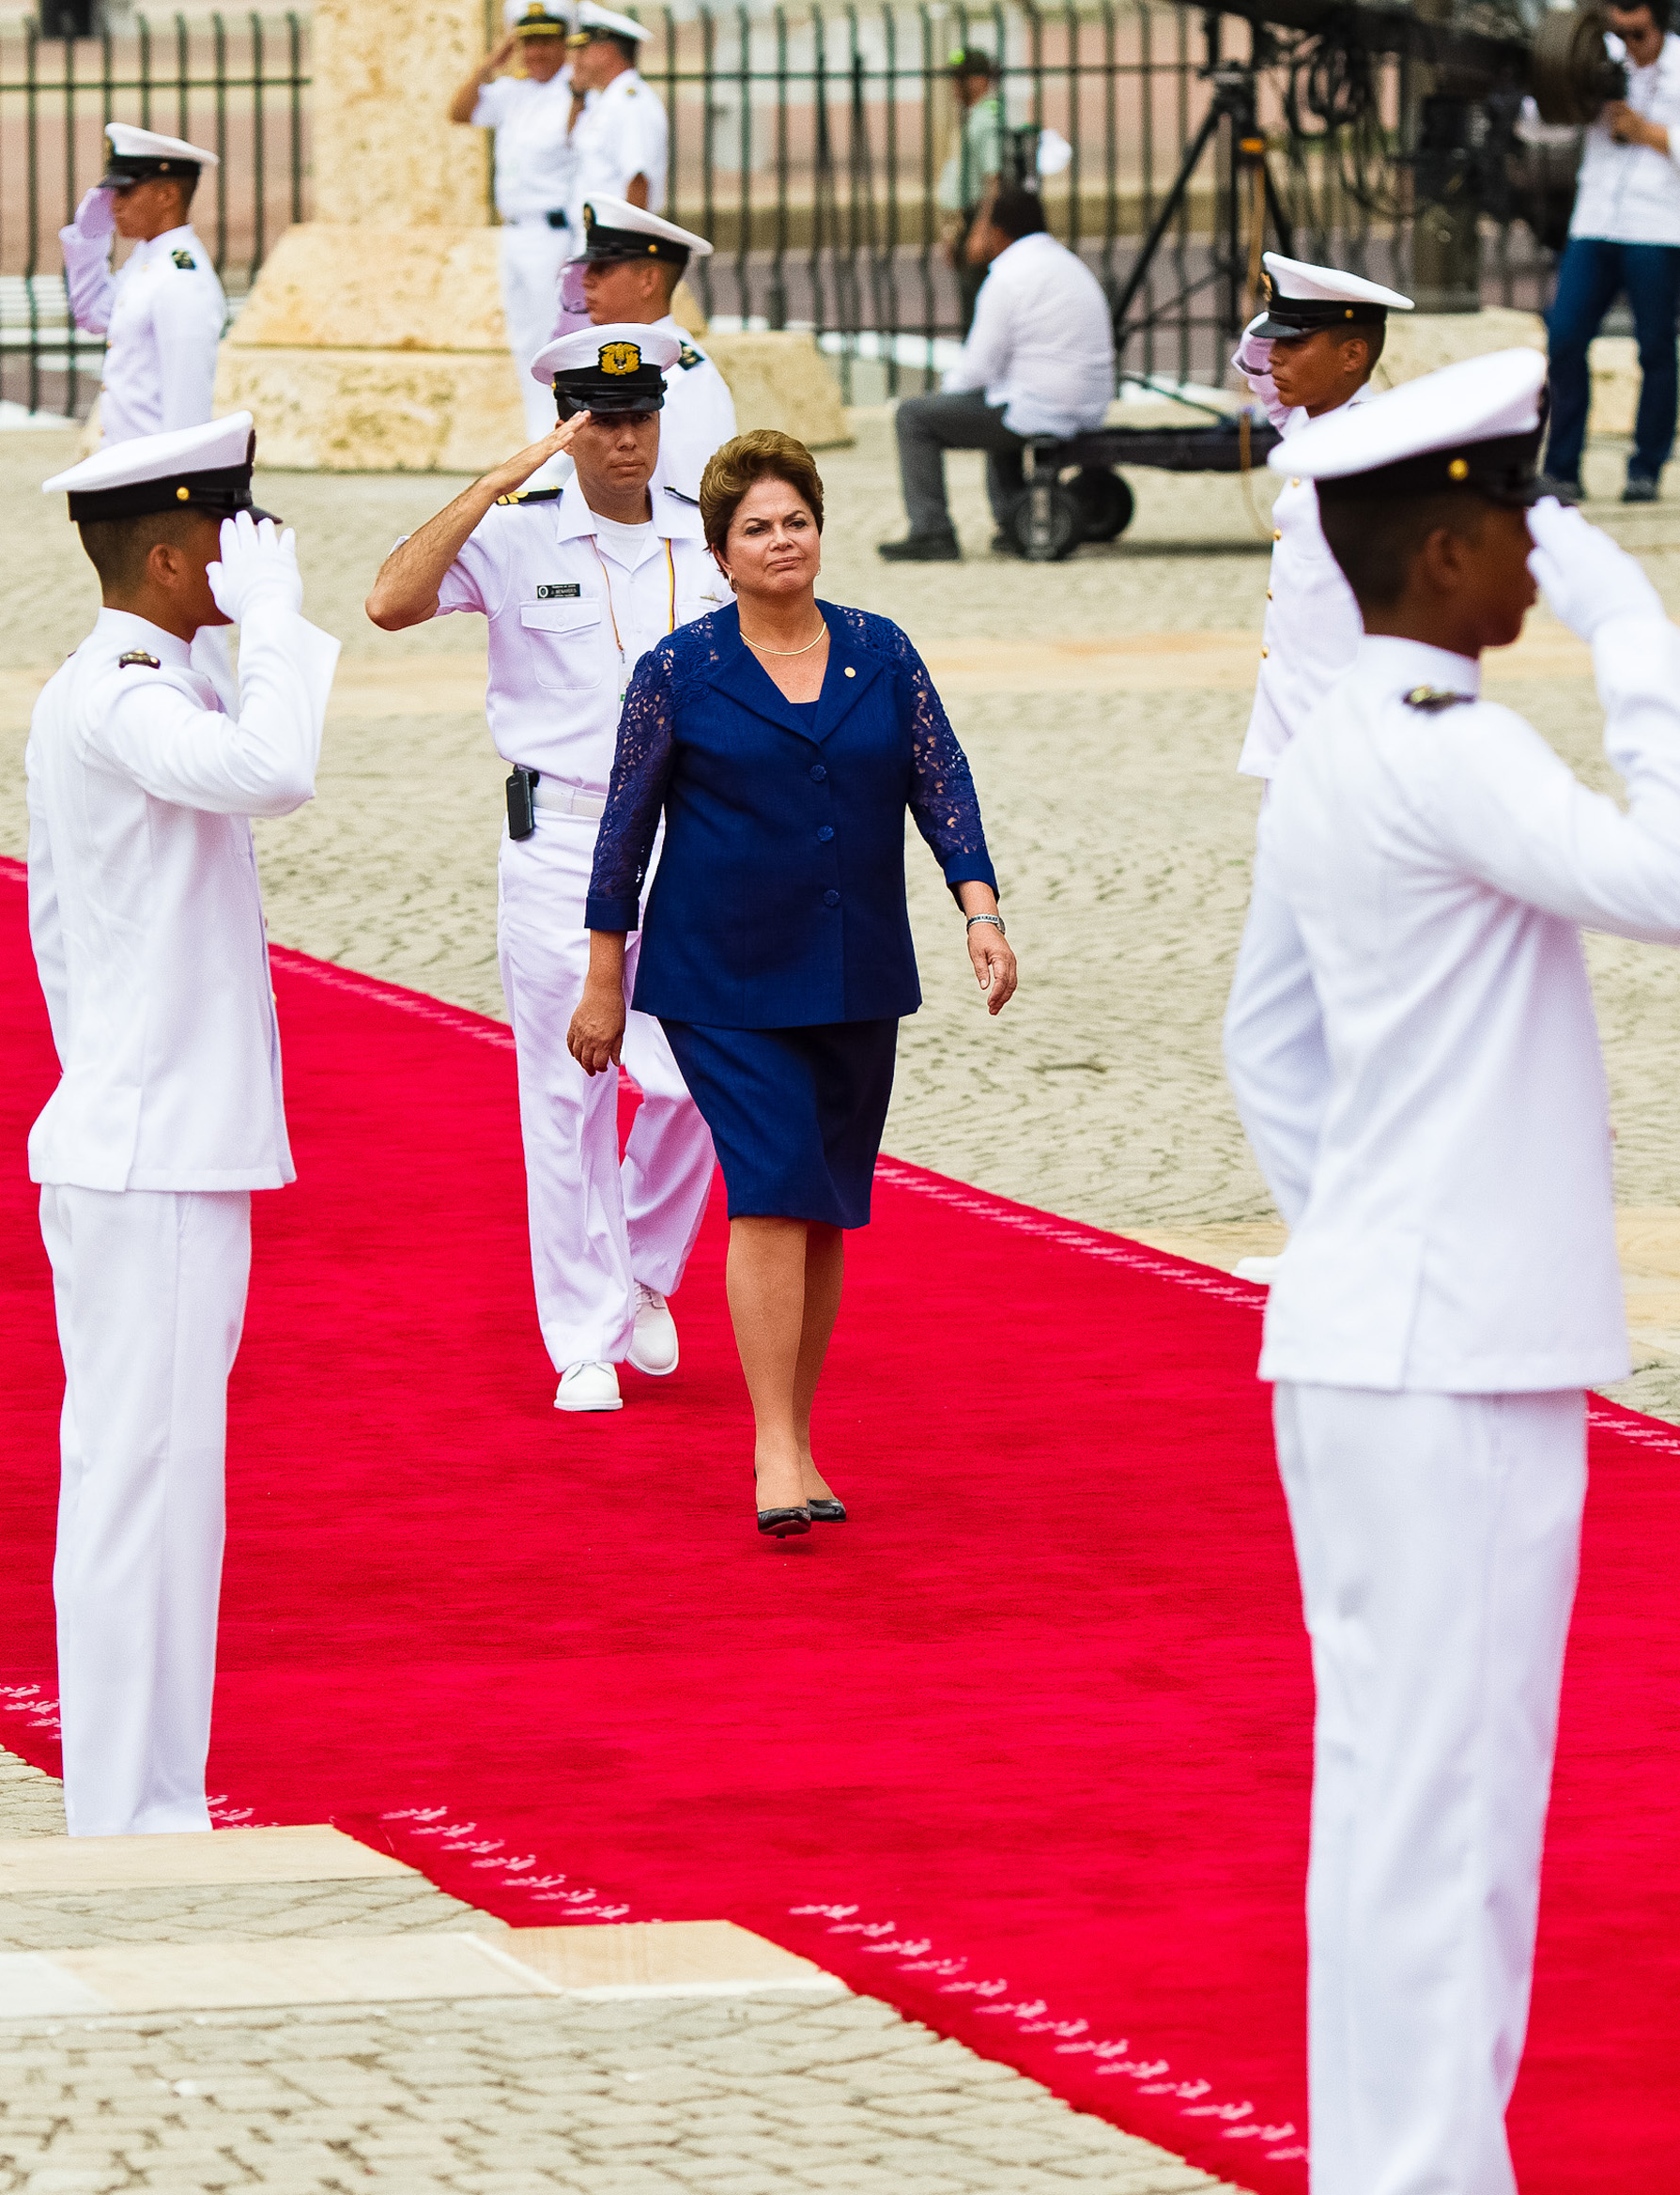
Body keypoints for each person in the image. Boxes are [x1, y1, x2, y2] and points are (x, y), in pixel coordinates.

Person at [1233, 347, 1680, 2193]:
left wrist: (1372, 1207)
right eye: (1515, 521)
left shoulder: (1329, 751)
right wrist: (1639, 635)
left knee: (1389, 1803)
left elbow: (1266, 1050)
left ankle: (1398, 2162)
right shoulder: (1454, 743)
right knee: (1456, 1821)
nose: (1538, 553)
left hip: (1373, 1329)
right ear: (1443, 553)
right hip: (1450, 1356)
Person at [572, 429, 1016, 1532]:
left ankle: (800, 1437)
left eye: (796, 521)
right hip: (721, 978)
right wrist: (601, 976)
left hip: (857, 968)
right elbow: (623, 831)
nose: (782, 543)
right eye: (756, 530)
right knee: (772, 1189)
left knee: (822, 1211)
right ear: (719, 554)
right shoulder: (677, 671)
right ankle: (772, 1449)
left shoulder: (882, 650)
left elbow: (939, 783)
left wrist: (981, 914)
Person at [25, 415, 341, 1834]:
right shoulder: (125, 696)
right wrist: (277, 624)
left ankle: (156, 1788)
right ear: (167, 555)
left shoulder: (147, 678)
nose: (253, 552)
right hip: (148, 1149)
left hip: (156, 1135)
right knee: (135, 1486)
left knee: (168, 1490)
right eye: (231, 535)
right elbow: (273, 769)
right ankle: (120, 1801)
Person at [365, 326, 729, 1414]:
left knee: (705, 1074)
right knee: (570, 1084)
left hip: (691, 838)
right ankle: (581, 1334)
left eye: (638, 418)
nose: (624, 442)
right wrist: (493, 483)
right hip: (563, 838)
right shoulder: (517, 538)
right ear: (569, 429)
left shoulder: (702, 540)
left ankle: (646, 1270)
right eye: (601, 422)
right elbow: (387, 599)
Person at [1220, 253, 1411, 1213]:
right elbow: (1254, 382)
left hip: (1346, 784)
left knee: (1321, 1024)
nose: (1270, 357)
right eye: (1270, 338)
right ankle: (1339, 1236)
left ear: (1350, 352)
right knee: (1281, 1030)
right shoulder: (1324, 434)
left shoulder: (1365, 463)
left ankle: (1356, 1238)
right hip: (1298, 776)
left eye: (1293, 342)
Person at [1520, 0, 1680, 504]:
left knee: (1655, 348)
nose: (1629, 48)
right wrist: (1563, 94)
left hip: (1658, 227)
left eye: (1639, 36)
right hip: (1595, 222)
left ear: (1661, 26)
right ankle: (1563, 468)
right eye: (1621, 34)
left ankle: (1646, 468)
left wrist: (1648, 133)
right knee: (1565, 338)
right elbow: (1534, 125)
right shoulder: (1598, 57)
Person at [881, 186, 1113, 564]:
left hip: (1041, 408)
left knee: (914, 417)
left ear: (998, 231)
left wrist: (944, 400)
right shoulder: (1065, 263)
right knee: (994, 400)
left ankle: (931, 530)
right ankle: (1010, 518)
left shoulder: (1008, 277)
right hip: (1085, 404)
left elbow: (977, 368)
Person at [452, 2, 577, 440]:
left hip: (555, 234)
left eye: (546, 42)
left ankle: (560, 437)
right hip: (516, 233)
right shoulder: (514, 93)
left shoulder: (576, 94)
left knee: (553, 341)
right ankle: (537, 437)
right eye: (528, 43)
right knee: (525, 340)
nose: (536, 53)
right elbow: (459, 110)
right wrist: (491, 61)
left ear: (564, 43)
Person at [59, 123, 225, 447]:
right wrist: (90, 238)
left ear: (166, 196)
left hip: (152, 478)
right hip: (125, 467)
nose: (113, 204)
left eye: (124, 191)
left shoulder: (181, 280)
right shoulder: (149, 260)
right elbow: (91, 313)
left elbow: (186, 414)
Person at [571, 195, 735, 494]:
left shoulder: (681, 376)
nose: (587, 280)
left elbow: (693, 499)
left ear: (648, 281)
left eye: (603, 268)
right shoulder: (627, 358)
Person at [549, 5, 666, 340]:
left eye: (583, 50)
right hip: (593, 245)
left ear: (607, 50)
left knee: (607, 344)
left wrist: (623, 258)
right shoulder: (606, 102)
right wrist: (577, 94)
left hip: (612, 250)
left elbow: (638, 182)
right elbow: (570, 142)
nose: (577, 60)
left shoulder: (632, 103)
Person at [932, 47, 1006, 329]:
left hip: (978, 220)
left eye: (960, 78)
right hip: (967, 220)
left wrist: (981, 231)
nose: (954, 86)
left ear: (979, 80)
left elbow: (995, 182)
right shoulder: (976, 116)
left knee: (977, 311)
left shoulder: (986, 119)